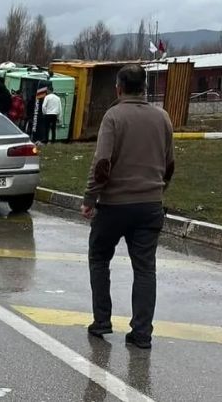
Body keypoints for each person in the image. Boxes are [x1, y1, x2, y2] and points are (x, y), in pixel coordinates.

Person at [81, 64, 174, 350]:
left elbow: (102, 164)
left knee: (99, 258)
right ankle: (142, 333)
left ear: (119, 88)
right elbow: (169, 164)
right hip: (150, 205)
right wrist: (157, 189)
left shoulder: (113, 117)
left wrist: (90, 198)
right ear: (144, 88)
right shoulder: (163, 117)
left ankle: (102, 320)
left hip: (114, 206)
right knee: (145, 269)